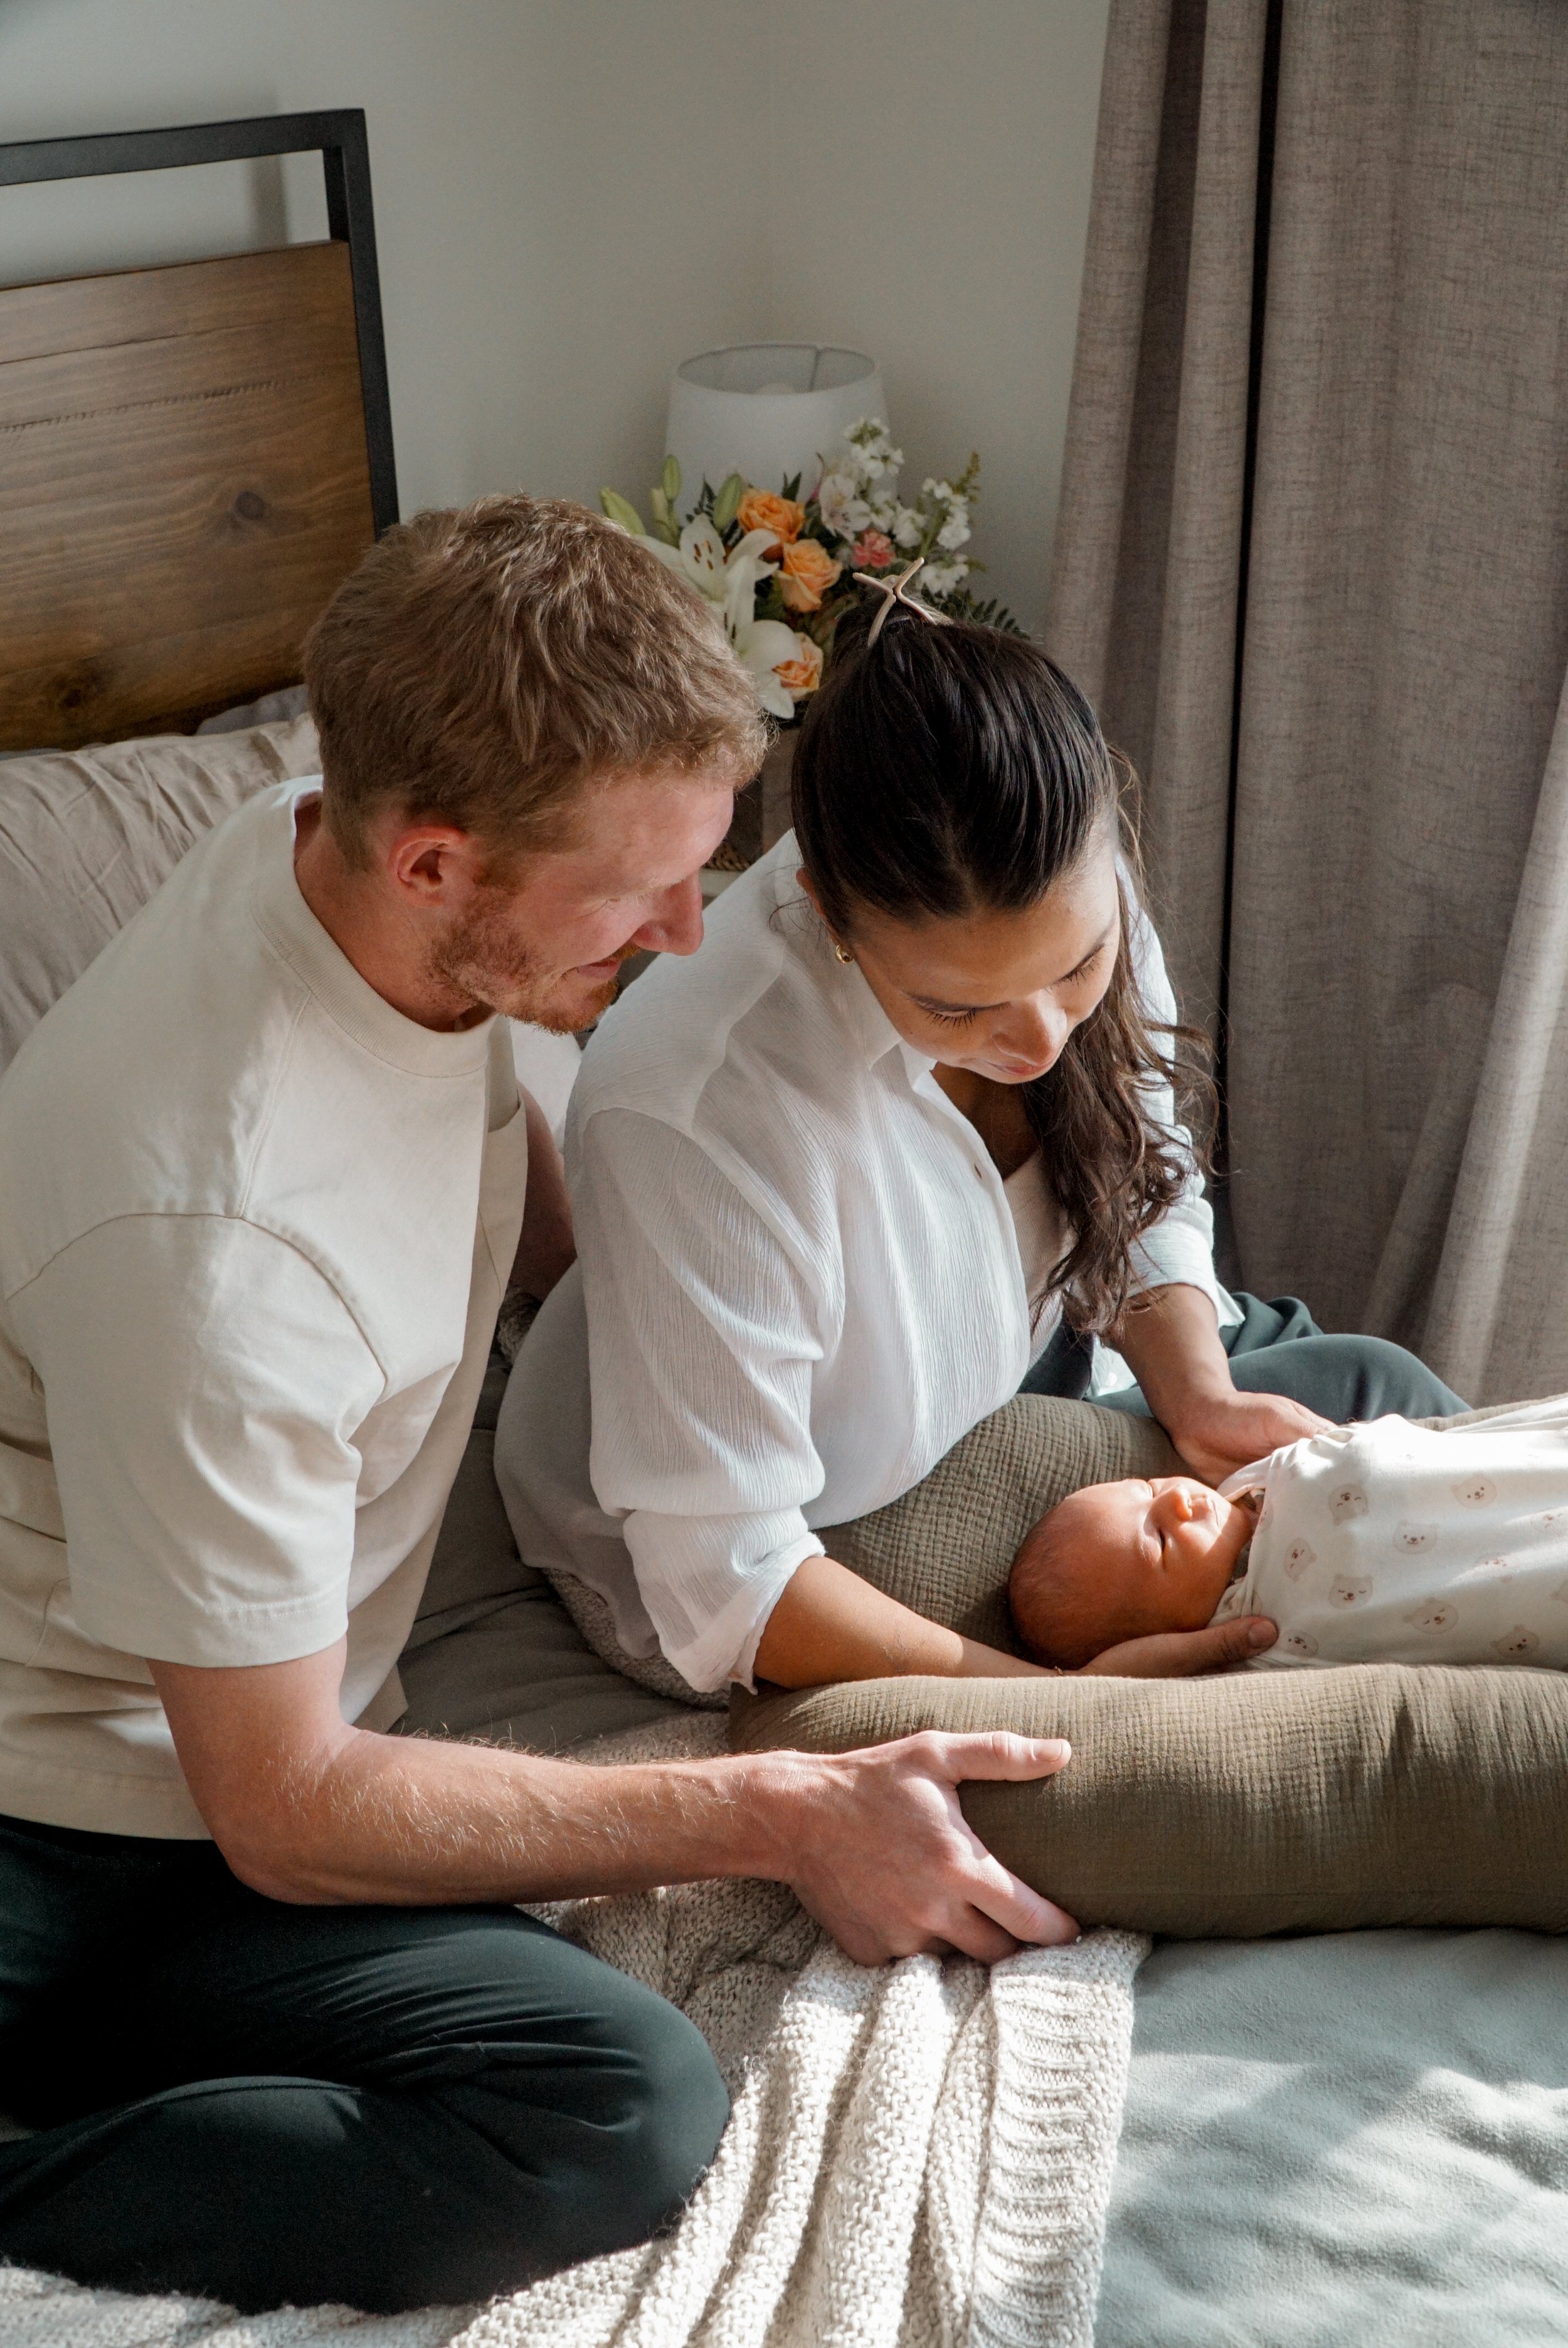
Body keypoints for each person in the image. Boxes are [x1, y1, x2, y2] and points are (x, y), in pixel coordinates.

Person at [0, 500, 1086, 2319]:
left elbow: (511, 1132)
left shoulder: (329, 852)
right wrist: (783, 1806)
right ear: (435, 862)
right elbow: (278, 1807)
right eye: (637, 890)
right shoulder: (220, 1240)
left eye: (707, 860)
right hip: (101, 1827)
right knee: (618, 2111)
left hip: (246, 1704)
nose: (686, 930)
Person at [499, 571, 1466, 1705]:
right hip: (798, 1524)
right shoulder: (701, 1109)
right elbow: (731, 1581)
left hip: (1022, 1360)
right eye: (960, 1011)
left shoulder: (1053, 872)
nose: (1046, 1039)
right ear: (827, 912)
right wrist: (1076, 1698)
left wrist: (1197, 1392)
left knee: (1375, 1385)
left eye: (1079, 969)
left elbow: (1144, 1186)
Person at [1009, 1396, 1568, 1672]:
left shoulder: (1258, 1478)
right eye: (1158, 1541)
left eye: (1147, 1484)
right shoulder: (1255, 1641)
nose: (1178, 1499)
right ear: (1162, 1639)